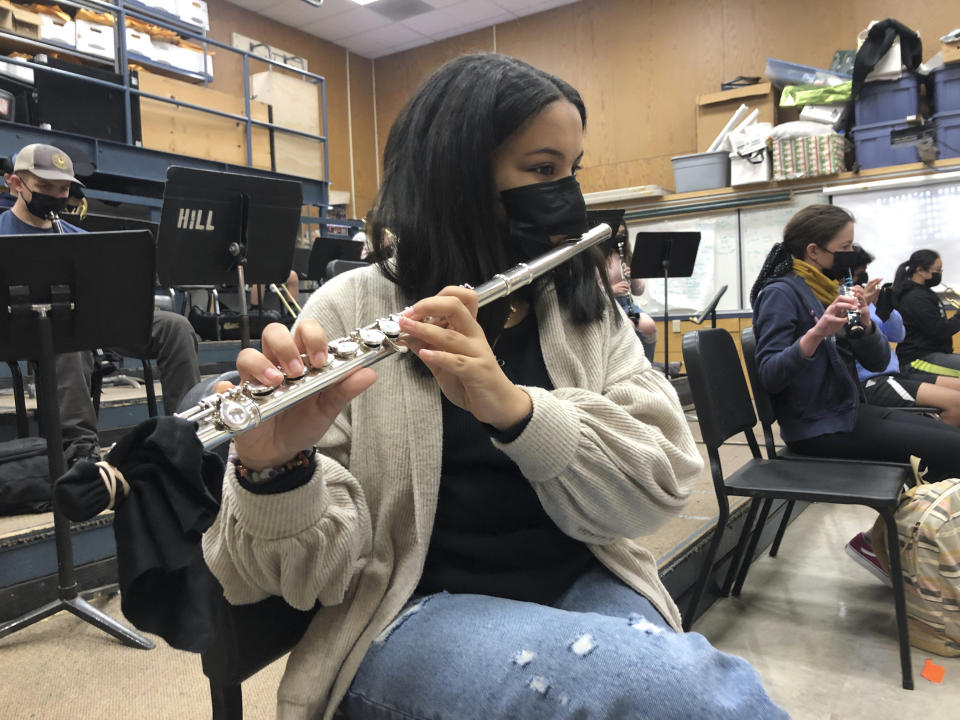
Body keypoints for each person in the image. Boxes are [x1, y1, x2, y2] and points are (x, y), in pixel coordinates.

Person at [202, 54, 788, 720]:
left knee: (693, 687)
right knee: (674, 693)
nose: (567, 196)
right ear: (454, 178)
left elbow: (660, 488)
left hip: (580, 579)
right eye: (542, 171)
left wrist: (517, 411)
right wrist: (276, 474)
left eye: (573, 171)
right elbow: (306, 580)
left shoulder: (580, 305)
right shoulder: (347, 309)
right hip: (406, 614)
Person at [750, 204, 960, 583]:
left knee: (953, 440)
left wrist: (866, 324)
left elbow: (879, 360)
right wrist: (815, 335)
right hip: (818, 428)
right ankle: (907, 557)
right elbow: (768, 375)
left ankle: (887, 544)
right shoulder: (781, 293)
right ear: (814, 251)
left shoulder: (831, 289)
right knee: (952, 453)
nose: (851, 255)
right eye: (844, 247)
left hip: (849, 412)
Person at [0, 143, 202, 463]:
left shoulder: (77, 236)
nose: (55, 195)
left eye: (63, 188)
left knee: (175, 327)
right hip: (23, 328)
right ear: (15, 184)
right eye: (44, 187)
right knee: (68, 334)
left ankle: (190, 432)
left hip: (90, 321)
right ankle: (81, 450)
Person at [852, 247, 960, 425]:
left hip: (894, 372)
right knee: (956, 403)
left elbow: (897, 334)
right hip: (874, 378)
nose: (864, 277)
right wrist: (860, 307)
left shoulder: (867, 299)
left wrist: (884, 307)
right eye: (860, 273)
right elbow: (938, 330)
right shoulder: (846, 300)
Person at [892, 249, 960, 378]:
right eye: (937, 270)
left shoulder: (924, 293)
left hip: (933, 355)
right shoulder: (915, 297)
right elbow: (940, 330)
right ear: (921, 271)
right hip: (917, 360)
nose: (939, 274)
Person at [604, 224, 658, 362]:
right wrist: (612, 290)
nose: (620, 237)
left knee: (649, 326)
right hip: (607, 304)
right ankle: (630, 369)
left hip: (627, 304)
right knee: (629, 326)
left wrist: (633, 275)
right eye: (617, 233)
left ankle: (647, 367)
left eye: (623, 233)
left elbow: (639, 291)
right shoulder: (600, 258)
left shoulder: (627, 255)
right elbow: (591, 290)